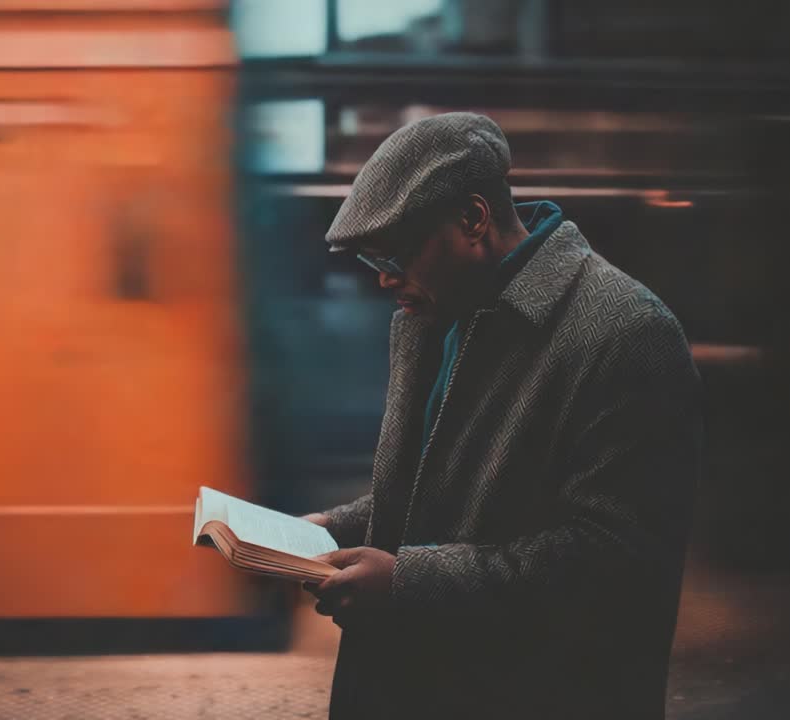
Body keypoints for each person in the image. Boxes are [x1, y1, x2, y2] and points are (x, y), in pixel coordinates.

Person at [301, 113, 702, 719]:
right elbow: (434, 489)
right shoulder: (429, 317)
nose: (383, 279)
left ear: (472, 220)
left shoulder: (629, 332)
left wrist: (408, 582)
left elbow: (616, 562)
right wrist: (331, 527)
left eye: (396, 253)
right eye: (369, 260)